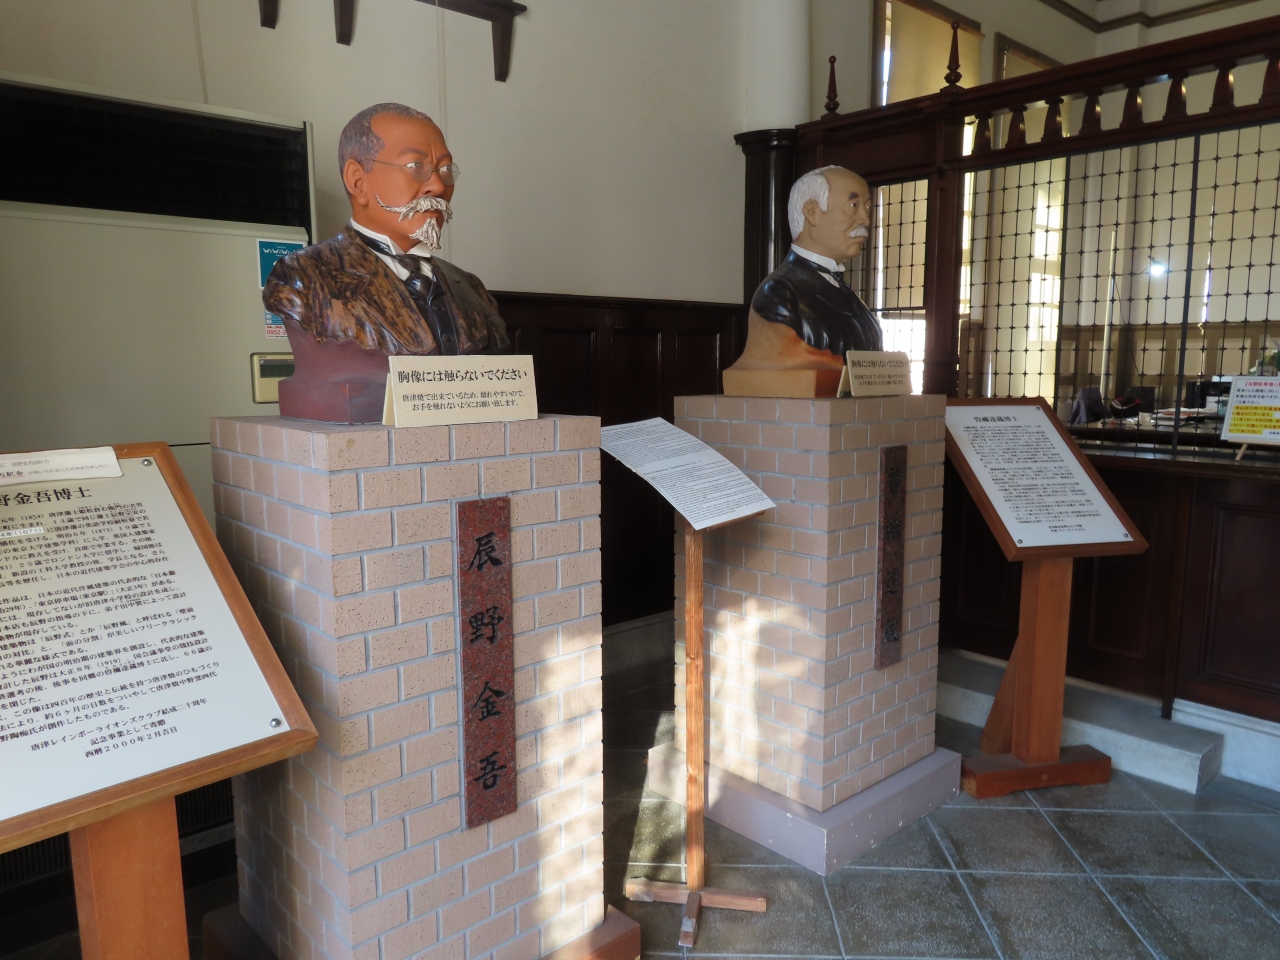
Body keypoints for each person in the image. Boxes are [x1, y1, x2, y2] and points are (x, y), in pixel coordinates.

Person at [263, 103, 509, 422]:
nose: (438, 186)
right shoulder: (302, 277)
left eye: (445, 170)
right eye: (416, 166)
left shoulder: (471, 288)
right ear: (358, 181)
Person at [724, 165, 882, 396]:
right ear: (812, 212)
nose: (865, 220)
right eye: (854, 205)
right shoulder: (779, 292)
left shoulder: (848, 293)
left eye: (867, 207)